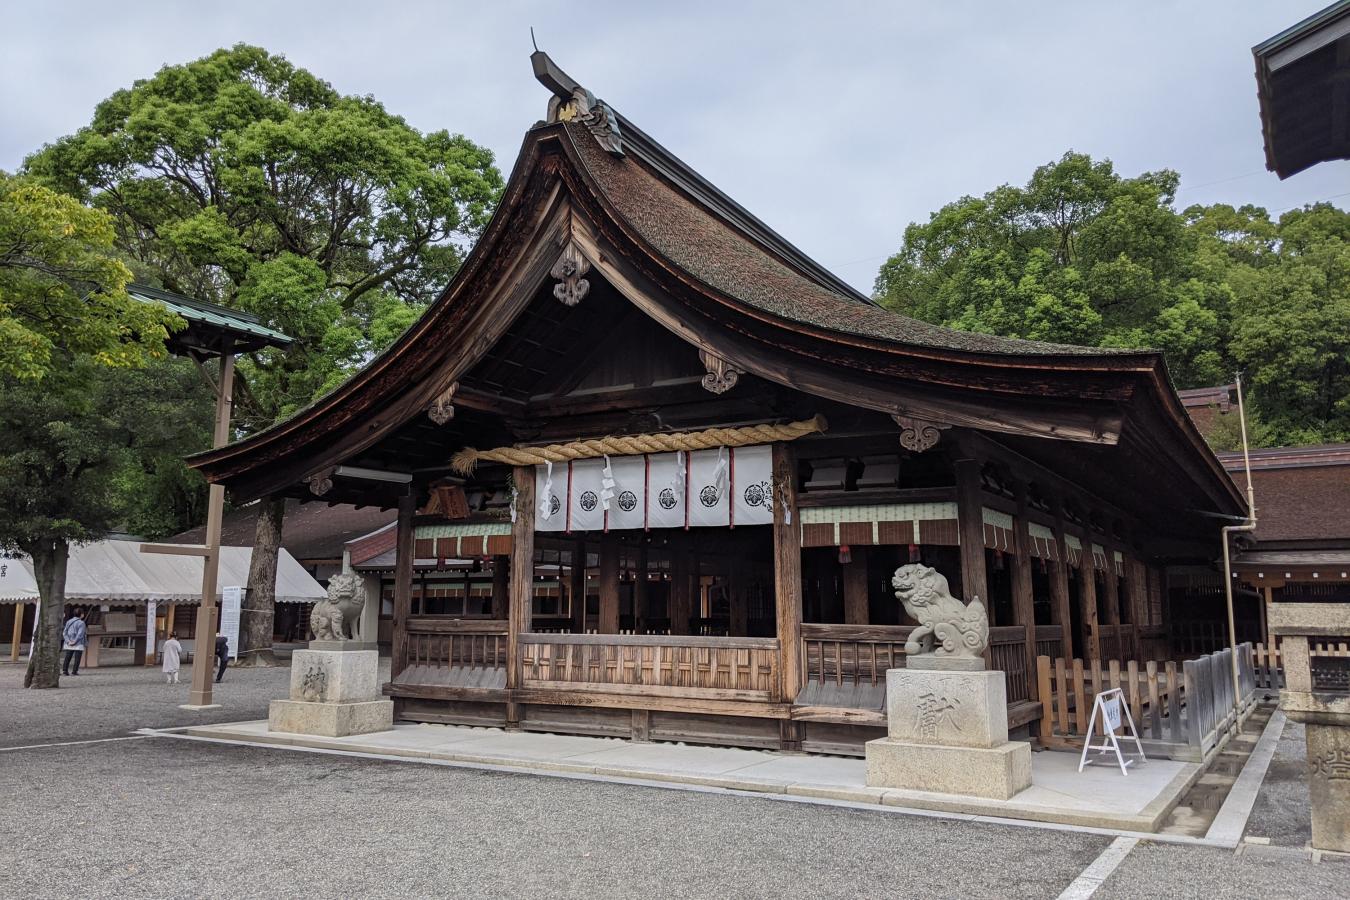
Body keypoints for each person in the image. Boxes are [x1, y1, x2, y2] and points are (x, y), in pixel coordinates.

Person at [61, 609, 88, 676]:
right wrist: (75, 641)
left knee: (68, 656)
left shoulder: (68, 621)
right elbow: (80, 634)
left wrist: (68, 641)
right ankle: (74, 671)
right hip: (78, 643)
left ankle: (65, 670)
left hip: (69, 642)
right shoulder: (81, 623)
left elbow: (64, 632)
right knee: (77, 658)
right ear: (81, 614)